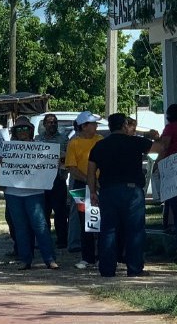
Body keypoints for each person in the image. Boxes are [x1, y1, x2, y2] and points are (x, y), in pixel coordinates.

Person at [87, 113, 164, 277]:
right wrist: (154, 138)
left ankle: (107, 269)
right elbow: (158, 149)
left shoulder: (99, 146)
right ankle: (134, 269)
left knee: (108, 230)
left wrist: (93, 191)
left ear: (110, 127)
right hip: (132, 191)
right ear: (124, 126)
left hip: (107, 191)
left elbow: (91, 171)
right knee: (134, 230)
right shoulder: (135, 141)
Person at [0, 116, 59, 270]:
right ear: (14, 132)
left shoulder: (40, 147)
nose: (22, 132)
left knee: (40, 226)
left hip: (35, 193)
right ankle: (25, 259)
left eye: (25, 128)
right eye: (19, 129)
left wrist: (55, 161)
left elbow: (54, 161)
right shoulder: (7, 148)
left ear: (31, 131)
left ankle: (49, 259)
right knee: (20, 228)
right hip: (13, 193)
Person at [66, 111, 103, 269]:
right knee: (84, 222)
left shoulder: (100, 140)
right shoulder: (73, 143)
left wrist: (97, 182)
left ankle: (102, 255)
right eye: (93, 124)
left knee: (101, 221)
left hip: (101, 185)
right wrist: (90, 180)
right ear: (84, 126)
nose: (96, 126)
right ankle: (87, 257)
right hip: (81, 186)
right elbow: (72, 169)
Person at [159, 104, 177, 261]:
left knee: (174, 205)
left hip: (171, 169)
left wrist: (158, 164)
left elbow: (164, 146)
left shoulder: (170, 128)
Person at [36, 113, 70, 248]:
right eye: (49, 122)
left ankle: (62, 239)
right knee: (43, 212)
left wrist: (63, 166)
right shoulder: (37, 140)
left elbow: (68, 157)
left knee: (60, 212)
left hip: (58, 179)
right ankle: (44, 240)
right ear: (44, 124)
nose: (52, 124)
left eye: (55, 122)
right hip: (41, 180)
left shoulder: (64, 139)